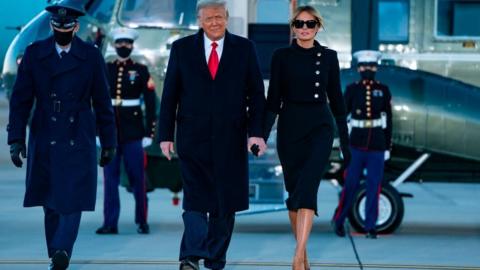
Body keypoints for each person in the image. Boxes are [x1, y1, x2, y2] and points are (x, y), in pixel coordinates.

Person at [7, 2, 116, 270]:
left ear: (76, 27)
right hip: (45, 131)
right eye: (57, 27)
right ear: (53, 27)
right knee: (50, 200)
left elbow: (103, 101)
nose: (62, 31)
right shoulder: (35, 54)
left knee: (73, 196)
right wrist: (16, 138)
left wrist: (109, 142)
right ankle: (56, 249)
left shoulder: (90, 55)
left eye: (67, 27)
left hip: (78, 132)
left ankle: (63, 250)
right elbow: (20, 100)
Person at [157, 0, 266, 269]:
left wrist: (256, 134)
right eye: (208, 18)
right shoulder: (182, 49)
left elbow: (257, 95)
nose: (214, 22)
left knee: (224, 203)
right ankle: (190, 256)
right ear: (199, 21)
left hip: (231, 137)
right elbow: (169, 95)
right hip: (192, 137)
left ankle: (215, 258)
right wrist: (165, 135)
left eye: (219, 17)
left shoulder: (244, 48)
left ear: (227, 18)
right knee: (195, 198)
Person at [263, 5, 351, 270]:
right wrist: (260, 135)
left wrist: (345, 141)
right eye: (299, 24)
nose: (304, 28)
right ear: (293, 27)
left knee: (307, 189)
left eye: (309, 24)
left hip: (319, 129)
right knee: (294, 194)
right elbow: (273, 100)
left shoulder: (328, 57)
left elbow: (337, 101)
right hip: (289, 128)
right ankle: (303, 255)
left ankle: (298, 257)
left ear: (318, 26)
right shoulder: (281, 56)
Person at [95, 27, 157, 235]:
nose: (123, 47)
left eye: (127, 43)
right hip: (110, 133)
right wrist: (97, 131)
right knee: (110, 180)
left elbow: (150, 103)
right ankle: (110, 223)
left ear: (132, 45)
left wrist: (149, 133)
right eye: (120, 43)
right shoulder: (106, 68)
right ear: (114, 45)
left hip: (133, 133)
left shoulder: (140, 70)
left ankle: (142, 220)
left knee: (137, 178)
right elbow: (97, 101)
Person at [332, 50, 393, 239]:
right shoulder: (352, 89)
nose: (368, 69)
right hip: (356, 145)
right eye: (364, 66)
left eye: (371, 66)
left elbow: (388, 120)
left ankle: (370, 226)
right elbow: (341, 118)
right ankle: (339, 220)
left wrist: (387, 146)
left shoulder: (383, 90)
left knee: (374, 187)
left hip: (376, 145)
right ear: (359, 68)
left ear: (376, 68)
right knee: (350, 185)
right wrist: (343, 144)